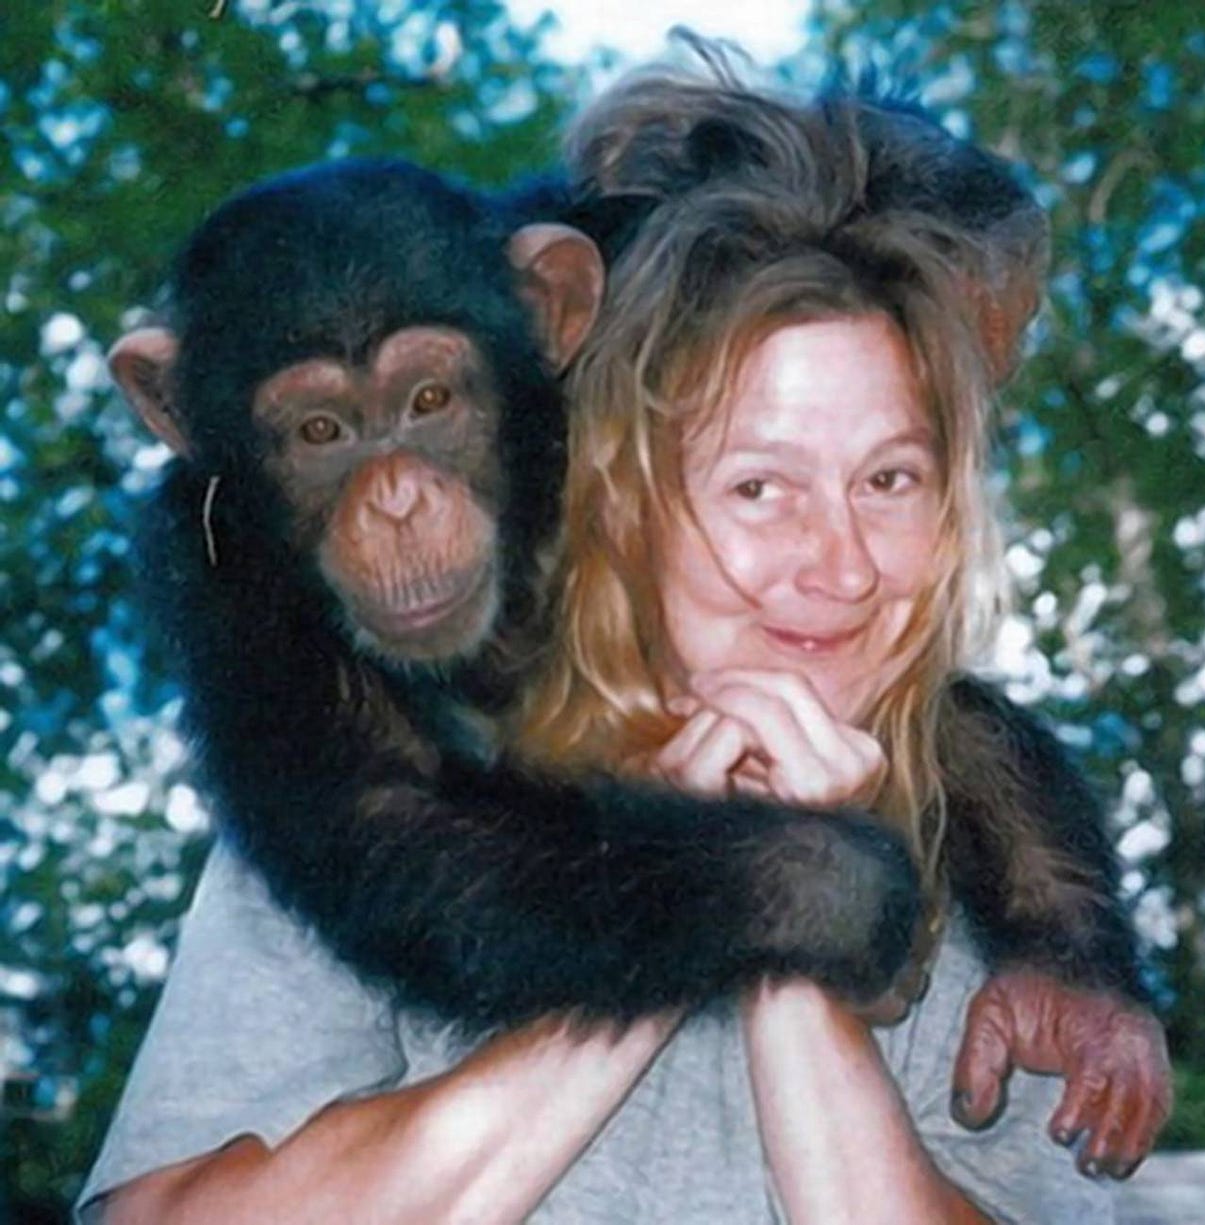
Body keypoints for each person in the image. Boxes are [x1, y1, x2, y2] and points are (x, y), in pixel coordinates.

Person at [81, 77, 1122, 1225]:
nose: (838, 564)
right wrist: (743, 875)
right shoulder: (359, 694)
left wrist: (1025, 948)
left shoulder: (982, 902)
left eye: (891, 478)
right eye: (757, 482)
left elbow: (950, 718)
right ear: (617, 481)